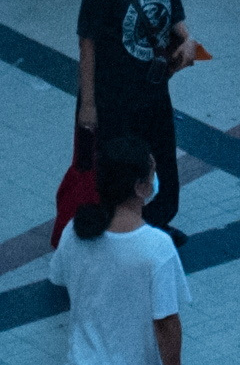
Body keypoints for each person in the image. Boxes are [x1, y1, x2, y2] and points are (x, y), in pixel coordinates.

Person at [77, 0, 208, 228]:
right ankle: (122, 227)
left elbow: (174, 14)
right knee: (121, 166)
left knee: (163, 158)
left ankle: (157, 223)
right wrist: (89, 105)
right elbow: (87, 46)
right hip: (116, 97)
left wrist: (188, 39)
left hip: (154, 90)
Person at [61, 153, 188, 365]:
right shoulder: (157, 246)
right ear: (140, 187)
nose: (155, 178)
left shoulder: (74, 231)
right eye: (152, 174)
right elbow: (166, 322)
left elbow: (60, 276)